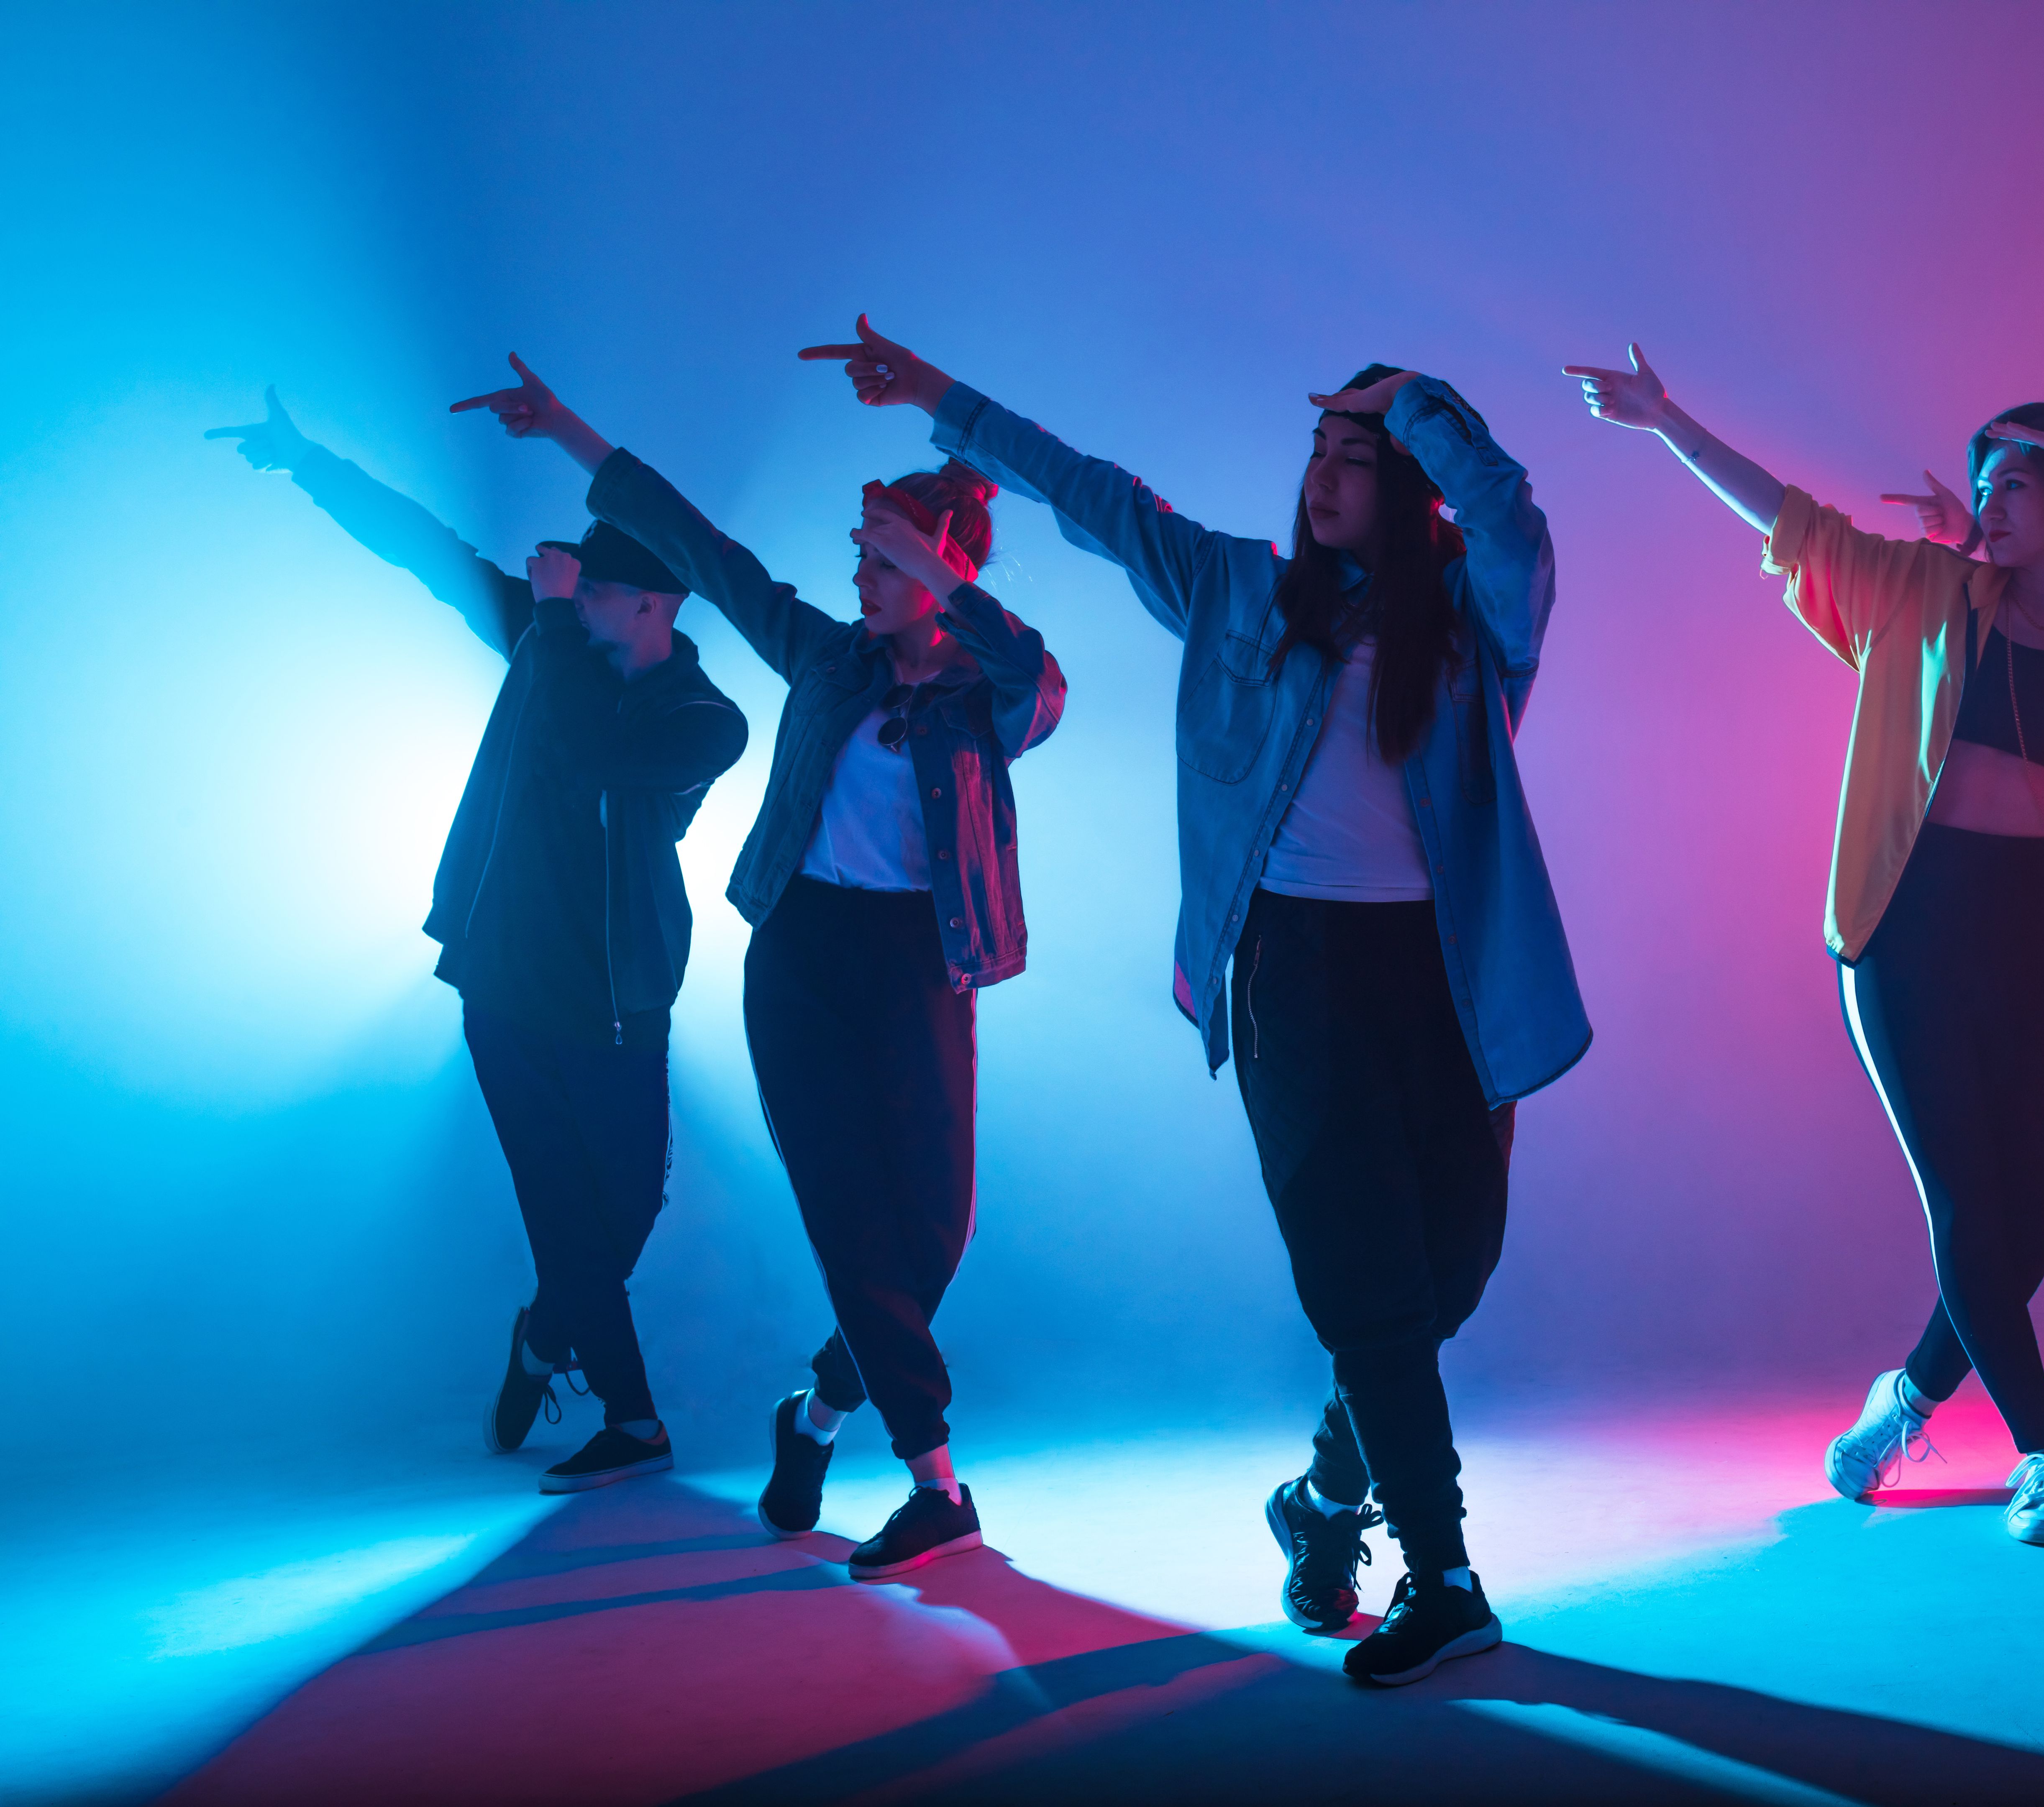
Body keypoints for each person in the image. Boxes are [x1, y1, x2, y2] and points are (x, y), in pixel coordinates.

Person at [797, 316, 1586, 1684]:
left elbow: (1513, 519)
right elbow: (1091, 492)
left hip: (1448, 979)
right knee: (1370, 1290)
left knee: (1447, 1276)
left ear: (1409, 482)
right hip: (1297, 976)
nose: (1324, 474)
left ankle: (1324, 1499)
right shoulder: (1238, 592)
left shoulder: (1475, 618)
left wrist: (1414, 401)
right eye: (1318, 448)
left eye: (1357, 456)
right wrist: (935, 393)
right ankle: (1445, 1576)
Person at [1563, 344, 2044, 1546]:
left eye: (2015, 484)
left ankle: (1906, 1400)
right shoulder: (1928, 593)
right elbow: (1792, 524)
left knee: (2043, 1216)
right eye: (1981, 485)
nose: (1988, 502)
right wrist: (1668, 420)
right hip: (1908, 926)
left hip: (2034, 928)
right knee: (1969, 1205)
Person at [448, 354, 1065, 1579]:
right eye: (861, 556)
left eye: (884, 561)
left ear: (943, 572)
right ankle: (936, 1484)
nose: (860, 578)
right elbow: (707, 550)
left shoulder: (983, 699)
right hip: (802, 957)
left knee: (934, 1236)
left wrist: (943, 572)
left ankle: (818, 1414)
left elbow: (1039, 684)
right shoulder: (829, 660)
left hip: (919, 964)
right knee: (849, 1219)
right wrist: (568, 429)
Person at [210, 387, 749, 1493]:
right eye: (573, 589)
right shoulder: (552, 638)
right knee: (559, 1201)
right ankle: (634, 1421)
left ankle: (546, 1337)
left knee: (627, 1209)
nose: (574, 599)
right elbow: (432, 555)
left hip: (617, 993)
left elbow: (600, 756)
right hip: (504, 975)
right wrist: (311, 465)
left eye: (596, 590)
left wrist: (550, 624)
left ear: (654, 606)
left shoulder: (705, 721)